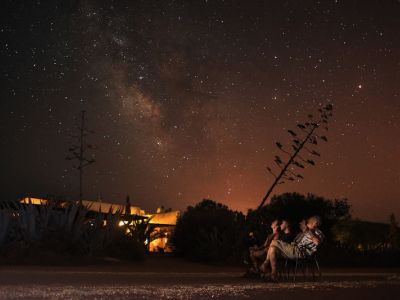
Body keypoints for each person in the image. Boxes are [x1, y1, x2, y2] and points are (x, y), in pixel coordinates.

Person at [260, 216, 324, 281]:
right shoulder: (305, 233)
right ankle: (274, 274)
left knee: (274, 242)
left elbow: (317, 242)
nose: (305, 224)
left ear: (314, 223)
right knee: (272, 249)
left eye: (307, 223)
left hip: (300, 252)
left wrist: (310, 232)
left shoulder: (317, 232)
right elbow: (295, 242)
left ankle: (265, 264)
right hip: (295, 249)